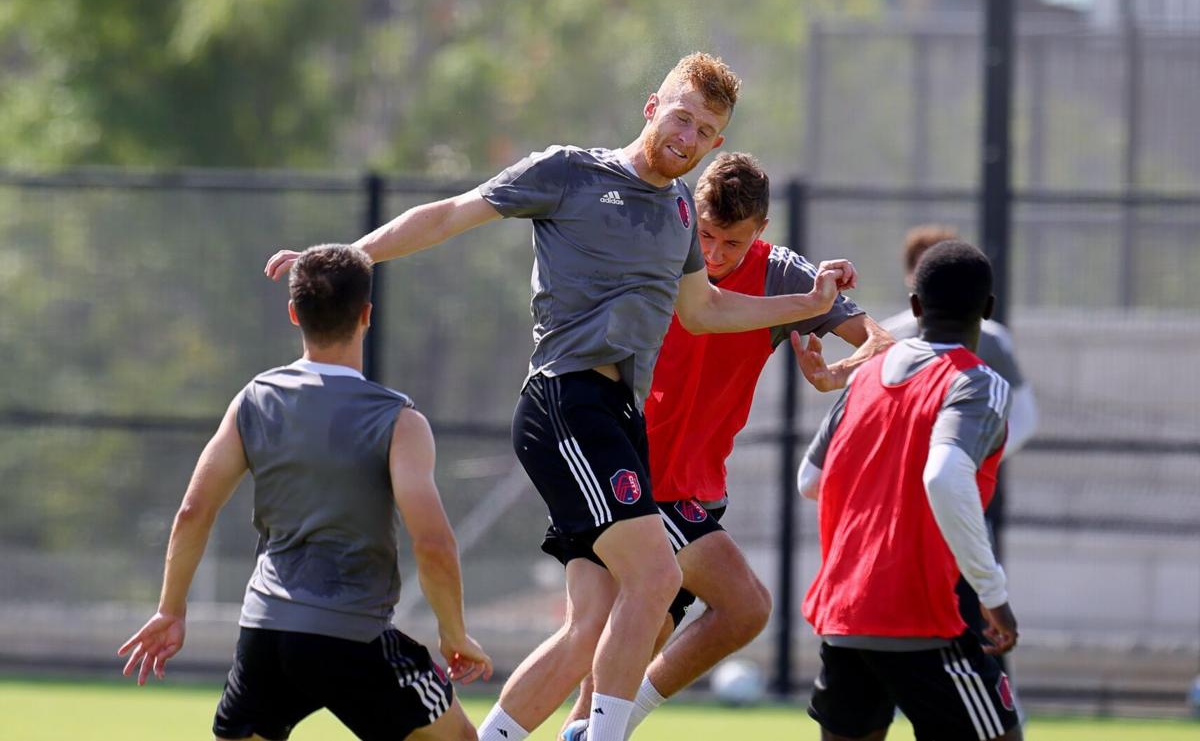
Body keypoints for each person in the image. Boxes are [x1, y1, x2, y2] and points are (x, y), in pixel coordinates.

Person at [263, 52, 855, 741]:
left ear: (717, 143)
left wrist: (805, 303)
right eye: (682, 116)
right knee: (658, 578)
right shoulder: (571, 172)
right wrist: (348, 255)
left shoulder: (675, 216)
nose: (688, 137)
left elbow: (706, 310)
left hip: (613, 419)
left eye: (705, 130)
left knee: (589, 625)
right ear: (651, 106)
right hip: (566, 400)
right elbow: (452, 213)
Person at [556, 152, 893, 741]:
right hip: (634, 477)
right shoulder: (661, 250)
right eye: (705, 235)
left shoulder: (784, 276)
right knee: (745, 607)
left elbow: (882, 343)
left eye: (730, 244)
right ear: (689, 215)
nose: (712, 255)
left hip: (699, 490)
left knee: (632, 639)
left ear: (760, 231)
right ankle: (591, 731)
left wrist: (833, 375)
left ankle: (580, 732)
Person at [119, 244, 491, 741]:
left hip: (266, 633)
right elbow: (433, 544)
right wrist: (453, 632)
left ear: (294, 313)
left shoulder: (254, 399)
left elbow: (193, 510)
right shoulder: (399, 420)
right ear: (367, 315)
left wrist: (170, 609)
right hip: (353, 636)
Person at [798, 239, 1022, 741]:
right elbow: (943, 475)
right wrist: (993, 593)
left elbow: (809, 480)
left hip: (846, 612)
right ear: (987, 310)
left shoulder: (866, 378)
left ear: (915, 307)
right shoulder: (979, 383)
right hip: (927, 614)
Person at [881, 224, 1037, 651]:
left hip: (960, 491)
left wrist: (971, 455)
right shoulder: (888, 342)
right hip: (898, 504)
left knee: (969, 620)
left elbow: (1023, 419)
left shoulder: (992, 348)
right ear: (913, 284)